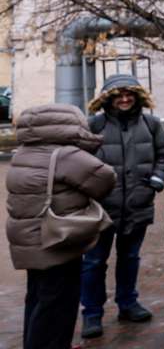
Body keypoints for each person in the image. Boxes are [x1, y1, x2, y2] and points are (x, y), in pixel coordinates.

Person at [7, 104, 116, 349]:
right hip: (58, 239)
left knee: (37, 298)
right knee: (58, 302)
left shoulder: (22, 152)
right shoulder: (65, 155)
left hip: (29, 241)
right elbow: (105, 179)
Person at [81, 74, 164, 340]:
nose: (124, 99)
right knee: (94, 262)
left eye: (129, 94)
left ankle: (128, 304)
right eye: (118, 95)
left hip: (138, 203)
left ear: (137, 97)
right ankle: (92, 314)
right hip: (100, 208)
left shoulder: (152, 124)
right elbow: (79, 161)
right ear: (108, 98)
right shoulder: (93, 126)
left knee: (130, 258)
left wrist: (155, 183)